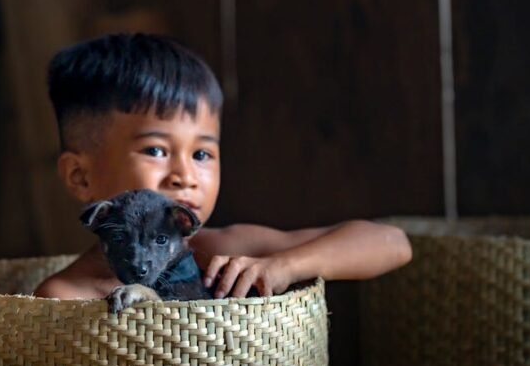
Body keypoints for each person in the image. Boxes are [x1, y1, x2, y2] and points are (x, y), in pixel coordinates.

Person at [34, 33, 411, 300]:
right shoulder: (63, 295)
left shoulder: (220, 252)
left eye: (201, 154)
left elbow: (391, 242)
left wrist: (285, 266)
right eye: (156, 150)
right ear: (80, 177)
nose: (185, 175)